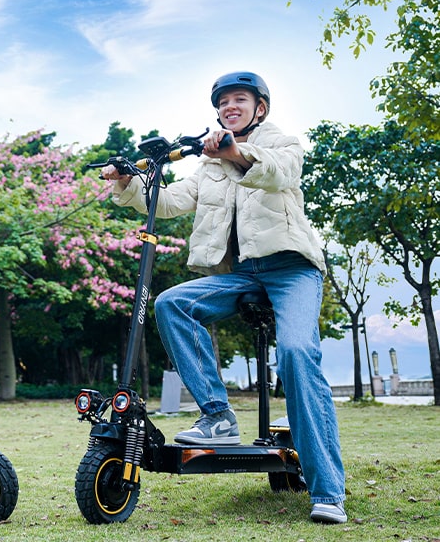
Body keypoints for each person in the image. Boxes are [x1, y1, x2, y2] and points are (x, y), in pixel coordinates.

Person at [101, 72, 347, 524]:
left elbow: (279, 173)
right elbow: (170, 200)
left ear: (260, 108)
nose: (230, 106)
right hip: (243, 274)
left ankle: (328, 490)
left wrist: (236, 152)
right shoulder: (209, 166)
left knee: (295, 354)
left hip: (292, 269)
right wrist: (127, 180)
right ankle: (218, 415)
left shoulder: (283, 143)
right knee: (172, 303)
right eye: (224, 101)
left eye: (241, 99)